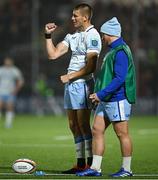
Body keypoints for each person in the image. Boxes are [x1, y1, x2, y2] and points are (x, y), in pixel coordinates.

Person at [45, 3, 101, 174]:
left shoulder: (93, 36)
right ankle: (80, 163)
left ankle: (90, 165)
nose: (72, 18)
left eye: (75, 15)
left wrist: (69, 76)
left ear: (85, 17)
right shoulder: (73, 36)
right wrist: (47, 36)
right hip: (71, 86)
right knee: (72, 125)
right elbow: (53, 54)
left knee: (83, 125)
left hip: (83, 84)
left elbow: (91, 67)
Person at [76, 17, 136, 177]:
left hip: (117, 98)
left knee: (122, 133)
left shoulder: (121, 51)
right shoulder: (114, 50)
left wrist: (101, 94)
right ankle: (95, 168)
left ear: (110, 33)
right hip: (107, 98)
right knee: (97, 130)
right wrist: (100, 94)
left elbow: (119, 78)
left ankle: (127, 169)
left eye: (103, 34)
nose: (102, 37)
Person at [0, 57, 24, 128]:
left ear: (11, 62)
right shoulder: (1, 70)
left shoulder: (14, 70)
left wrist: (15, 90)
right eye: (6, 61)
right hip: (1, 92)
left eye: (9, 61)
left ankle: (8, 124)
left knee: (9, 107)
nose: (7, 62)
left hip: (10, 92)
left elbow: (20, 81)